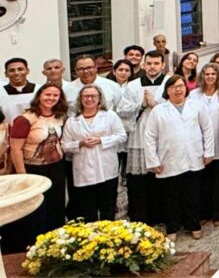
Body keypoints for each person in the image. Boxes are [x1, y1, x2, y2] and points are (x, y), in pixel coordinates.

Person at [143, 76, 215, 241]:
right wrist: (153, 161)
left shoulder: (196, 106)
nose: (178, 89)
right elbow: (150, 137)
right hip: (169, 159)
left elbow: (207, 129)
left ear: (186, 88)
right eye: (173, 87)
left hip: (193, 156)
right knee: (171, 196)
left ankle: (194, 225)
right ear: (167, 91)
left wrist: (208, 152)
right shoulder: (158, 110)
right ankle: (172, 228)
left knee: (193, 195)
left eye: (181, 86)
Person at [6, 84, 68, 252]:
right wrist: (22, 175)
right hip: (32, 170)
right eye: (48, 94)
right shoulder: (26, 119)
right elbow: (16, 148)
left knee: (56, 208)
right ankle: (36, 248)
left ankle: (56, 247)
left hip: (56, 167)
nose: (51, 98)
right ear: (39, 95)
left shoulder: (59, 116)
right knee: (37, 210)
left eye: (56, 95)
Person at [117, 50, 168, 224]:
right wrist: (142, 104)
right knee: (139, 181)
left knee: (162, 177)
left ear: (163, 65)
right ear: (144, 64)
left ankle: (161, 215)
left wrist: (156, 104)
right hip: (139, 135)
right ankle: (141, 217)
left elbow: (178, 105)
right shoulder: (133, 85)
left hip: (163, 136)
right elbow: (122, 110)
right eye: (149, 63)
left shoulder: (169, 83)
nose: (152, 67)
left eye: (156, 63)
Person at [62, 84, 126, 222]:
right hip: (84, 170)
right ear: (80, 99)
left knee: (107, 207)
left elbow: (122, 136)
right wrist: (80, 143)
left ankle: (108, 237)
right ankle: (92, 239)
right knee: (87, 209)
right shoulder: (72, 121)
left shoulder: (110, 116)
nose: (89, 99)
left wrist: (101, 140)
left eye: (93, 96)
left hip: (107, 168)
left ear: (99, 99)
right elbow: (65, 146)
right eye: (86, 96)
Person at [189, 64, 219, 226]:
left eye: (213, 74)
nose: (210, 77)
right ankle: (204, 212)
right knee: (202, 181)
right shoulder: (194, 94)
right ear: (202, 76)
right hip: (200, 140)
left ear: (218, 76)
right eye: (207, 74)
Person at [1, 57, 37, 122]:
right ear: (6, 74)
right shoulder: (1, 92)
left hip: (36, 129)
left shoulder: (39, 90)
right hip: (7, 130)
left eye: (20, 69)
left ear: (27, 71)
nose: (16, 73)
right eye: (12, 70)